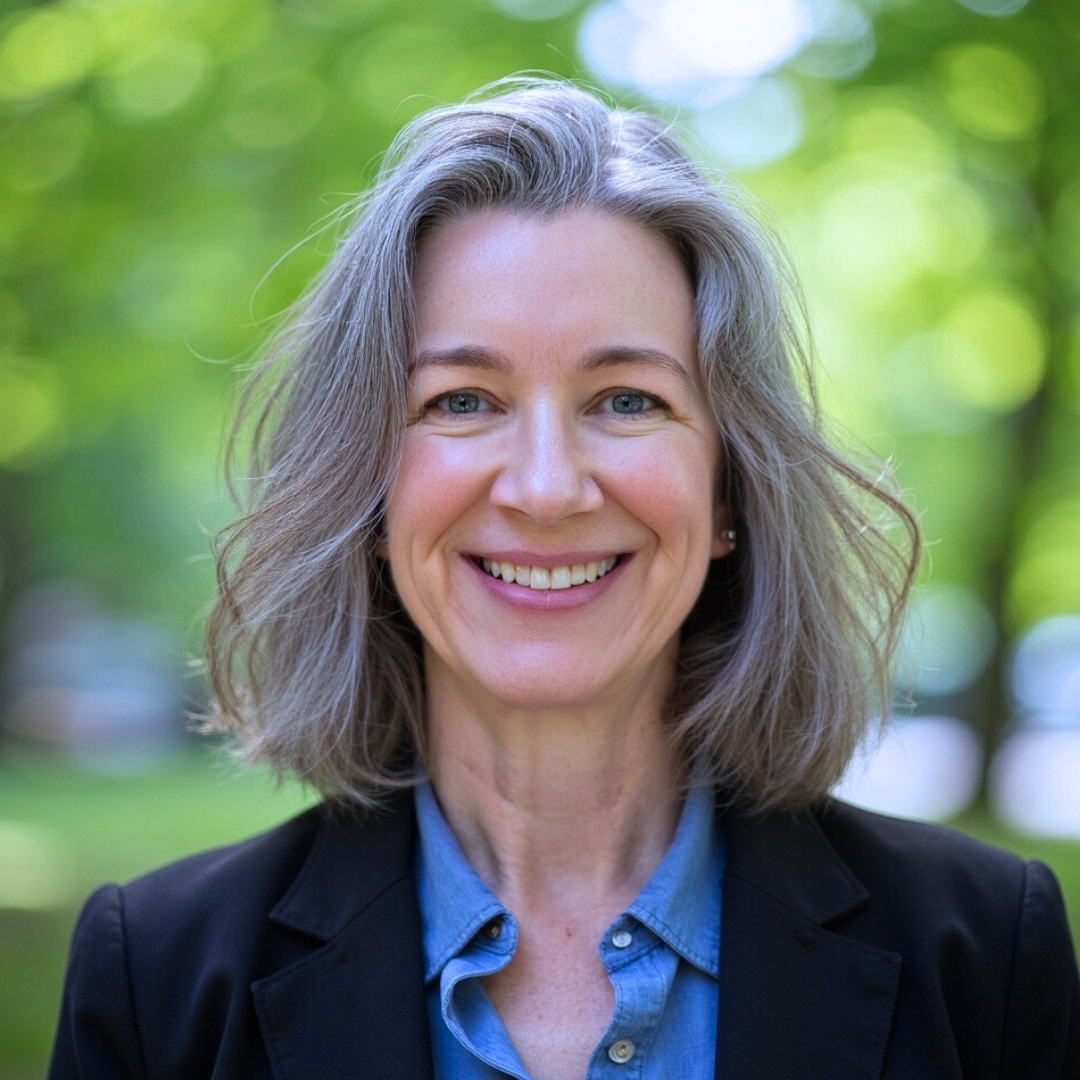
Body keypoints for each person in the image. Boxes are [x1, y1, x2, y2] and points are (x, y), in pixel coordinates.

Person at [49, 78, 1078, 1080]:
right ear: (369, 489)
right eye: (461, 401)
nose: (546, 488)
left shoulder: (984, 955)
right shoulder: (159, 978)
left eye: (627, 400)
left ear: (729, 490)